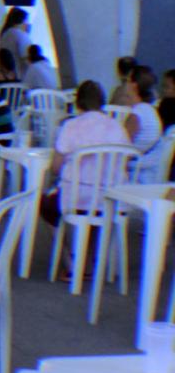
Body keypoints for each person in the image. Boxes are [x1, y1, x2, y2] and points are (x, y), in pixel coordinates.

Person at [38, 82, 129, 251]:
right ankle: (93, 257)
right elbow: (125, 161)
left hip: (78, 198)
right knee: (95, 211)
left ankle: (69, 258)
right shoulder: (117, 127)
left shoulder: (72, 126)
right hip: (112, 199)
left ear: (78, 103)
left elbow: (56, 167)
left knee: (45, 204)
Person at [123, 65, 161, 155]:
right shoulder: (150, 110)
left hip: (130, 162)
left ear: (134, 86)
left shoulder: (137, 114)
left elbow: (123, 143)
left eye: (127, 81)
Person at [0, 8, 32, 77]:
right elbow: (27, 59)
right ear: (23, 21)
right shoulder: (22, 36)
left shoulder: (5, 34)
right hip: (20, 76)